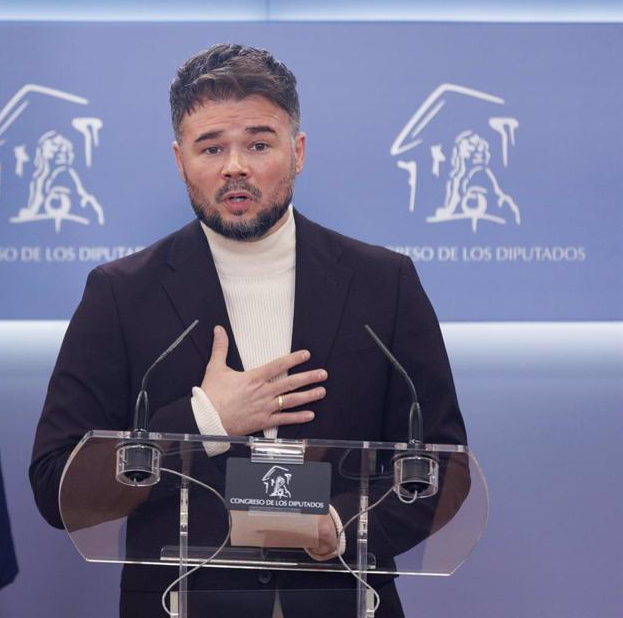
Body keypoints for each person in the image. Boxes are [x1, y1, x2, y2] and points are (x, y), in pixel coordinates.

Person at [29, 44, 467, 617]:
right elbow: (58, 485)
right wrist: (205, 422)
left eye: (259, 144)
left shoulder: (383, 283)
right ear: (180, 159)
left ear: (298, 151)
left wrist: (340, 529)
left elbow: (444, 464)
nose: (235, 165)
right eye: (211, 147)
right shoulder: (121, 294)